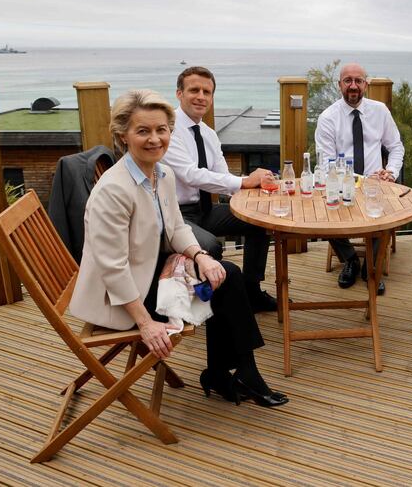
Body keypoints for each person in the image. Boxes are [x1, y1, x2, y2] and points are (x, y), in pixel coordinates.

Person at [70, 89, 287, 408]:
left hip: (148, 273)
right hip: (120, 298)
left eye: (162, 130)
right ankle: (229, 373)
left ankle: (238, 372)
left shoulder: (161, 173)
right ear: (123, 136)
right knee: (226, 283)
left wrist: (199, 256)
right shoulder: (113, 191)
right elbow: (113, 268)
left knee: (224, 275)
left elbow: (175, 228)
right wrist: (145, 323)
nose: (155, 139)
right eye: (143, 131)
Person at [161, 66, 277, 312]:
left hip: (203, 210)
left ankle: (251, 291)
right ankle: (215, 303)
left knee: (259, 222)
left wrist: (259, 196)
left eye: (207, 92)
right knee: (210, 245)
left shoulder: (209, 134)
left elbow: (223, 178)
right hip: (174, 216)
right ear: (179, 93)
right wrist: (245, 180)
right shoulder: (167, 130)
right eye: (194, 90)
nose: (201, 96)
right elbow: (191, 175)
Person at [314, 62, 405, 295]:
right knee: (323, 213)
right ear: (339, 85)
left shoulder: (380, 111)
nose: (353, 86)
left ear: (366, 84)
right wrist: (356, 180)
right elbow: (326, 164)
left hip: (378, 184)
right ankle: (351, 260)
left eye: (358, 81)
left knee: (387, 213)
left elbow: (396, 147)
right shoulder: (327, 118)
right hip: (342, 183)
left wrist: (391, 172)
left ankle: (371, 266)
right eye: (347, 81)